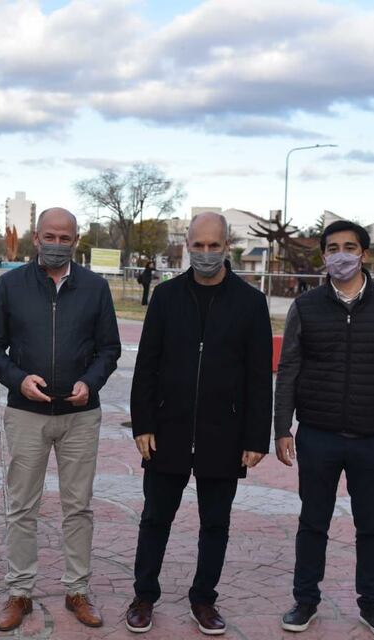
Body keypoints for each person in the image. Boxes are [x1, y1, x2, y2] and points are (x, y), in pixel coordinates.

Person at [124, 212, 273, 635]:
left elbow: (260, 376)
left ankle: (204, 600)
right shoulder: (167, 297)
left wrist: (254, 436)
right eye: (198, 245)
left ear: (228, 247)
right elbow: (146, 366)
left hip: (223, 435)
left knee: (215, 524)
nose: (206, 254)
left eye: (214, 246)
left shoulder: (250, 302)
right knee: (155, 518)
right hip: (167, 430)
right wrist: (142, 424)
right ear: (187, 245)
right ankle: (143, 596)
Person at [274, 220, 374, 639]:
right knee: (312, 522)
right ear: (324, 255)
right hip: (317, 435)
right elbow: (288, 370)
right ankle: (305, 601)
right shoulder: (306, 306)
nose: (342, 254)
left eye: (350, 247)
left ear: (364, 253)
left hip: (373, 438)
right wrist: (282, 427)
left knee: (371, 525)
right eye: (333, 247)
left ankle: (373, 606)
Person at [0, 207, 121, 631]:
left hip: (80, 415)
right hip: (26, 414)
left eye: (65, 237)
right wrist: (18, 380)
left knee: (78, 508)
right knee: (22, 507)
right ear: (35, 238)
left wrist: (91, 383)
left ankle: (77, 589)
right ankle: (19, 591)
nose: (57, 244)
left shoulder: (95, 288)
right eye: (49, 236)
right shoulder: (10, 285)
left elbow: (109, 349)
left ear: (76, 240)